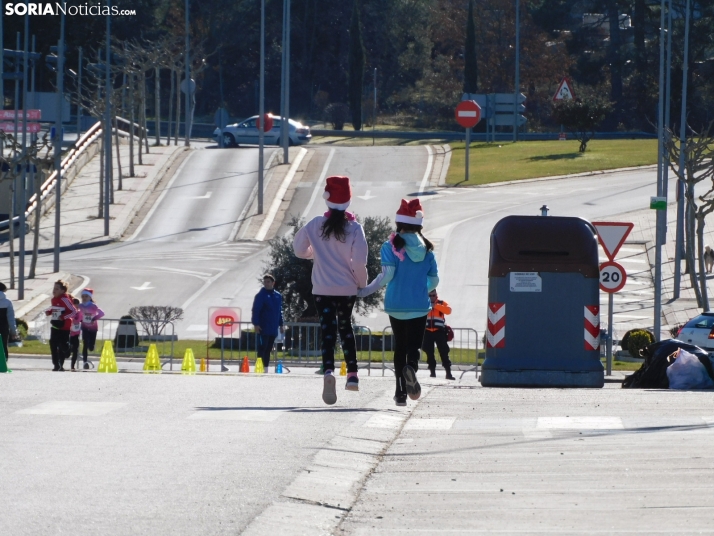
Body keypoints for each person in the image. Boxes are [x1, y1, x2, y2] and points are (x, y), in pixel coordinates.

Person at [293, 175, 368, 405]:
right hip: (346, 288)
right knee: (346, 328)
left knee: (327, 331)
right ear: (348, 200)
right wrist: (361, 283)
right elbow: (359, 262)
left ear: (327, 199)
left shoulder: (315, 224)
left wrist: (314, 253)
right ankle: (353, 375)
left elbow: (298, 249)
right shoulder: (355, 228)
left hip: (322, 288)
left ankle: (328, 372)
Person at [358, 199, 438, 406]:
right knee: (414, 346)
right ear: (419, 225)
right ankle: (412, 366)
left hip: (396, 305)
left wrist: (365, 291)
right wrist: (423, 289)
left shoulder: (389, 246)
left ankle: (400, 392)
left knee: (399, 347)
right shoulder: (428, 249)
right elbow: (434, 280)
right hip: (419, 305)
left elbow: (387, 275)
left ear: (399, 223)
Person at [251, 274, 284, 371]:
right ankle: (259, 367)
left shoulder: (278, 296)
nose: (266, 284)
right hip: (263, 327)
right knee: (262, 348)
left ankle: (266, 368)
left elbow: (279, 311)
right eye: (265, 282)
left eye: (268, 282)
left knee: (269, 348)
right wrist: (256, 324)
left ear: (273, 283)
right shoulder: (261, 295)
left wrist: (281, 324)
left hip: (273, 327)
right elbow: (256, 310)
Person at [45, 279, 79, 371]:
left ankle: (67, 351)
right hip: (55, 325)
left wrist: (63, 317)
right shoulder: (53, 300)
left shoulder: (65, 299)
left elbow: (74, 311)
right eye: (54, 288)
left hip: (64, 326)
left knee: (63, 345)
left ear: (62, 291)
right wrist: (49, 312)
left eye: (57, 288)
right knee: (53, 344)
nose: (54, 290)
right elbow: (55, 309)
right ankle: (56, 365)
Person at [422, 290, 455, 380]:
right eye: (430, 295)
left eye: (433, 295)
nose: (432, 297)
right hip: (427, 332)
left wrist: (435, 306)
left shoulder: (441, 303)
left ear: (436, 295)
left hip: (439, 332)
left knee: (444, 352)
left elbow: (448, 311)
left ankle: (448, 373)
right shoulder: (424, 303)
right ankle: (432, 372)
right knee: (429, 353)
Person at [78, 288, 105, 370]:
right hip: (85, 327)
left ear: (90, 297)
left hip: (93, 328)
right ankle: (85, 362)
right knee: (85, 344)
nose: (84, 298)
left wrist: (94, 319)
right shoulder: (80, 305)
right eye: (83, 296)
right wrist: (80, 319)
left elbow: (102, 313)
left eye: (86, 296)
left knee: (91, 347)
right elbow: (78, 314)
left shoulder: (93, 306)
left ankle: (91, 346)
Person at [0, 282, 18, 363]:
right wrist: (13, 331)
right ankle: (4, 363)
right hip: (3, 327)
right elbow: (11, 318)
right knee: (3, 345)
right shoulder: (8, 302)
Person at [69, 298, 82, 370]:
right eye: (74, 306)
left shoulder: (80, 313)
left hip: (76, 333)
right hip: (70, 333)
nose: (76, 307)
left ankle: (72, 366)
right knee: (68, 349)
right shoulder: (70, 312)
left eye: (77, 306)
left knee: (75, 350)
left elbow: (80, 320)